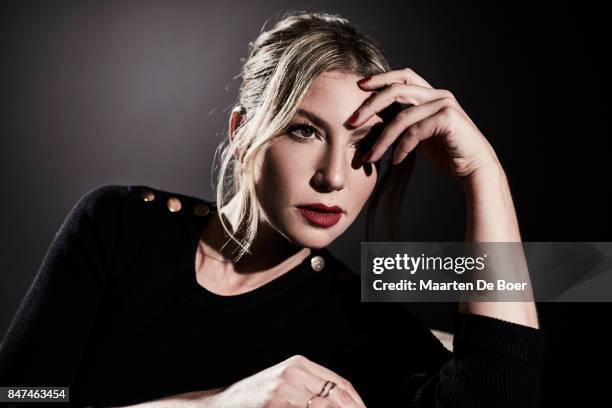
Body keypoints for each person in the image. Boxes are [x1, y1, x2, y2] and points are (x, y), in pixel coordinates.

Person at [0, 10, 546, 408]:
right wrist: (214, 405)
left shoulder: (354, 317)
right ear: (243, 134)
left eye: (363, 147)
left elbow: (499, 396)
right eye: (305, 131)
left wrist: (484, 173)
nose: (334, 177)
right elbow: (23, 393)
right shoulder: (120, 226)